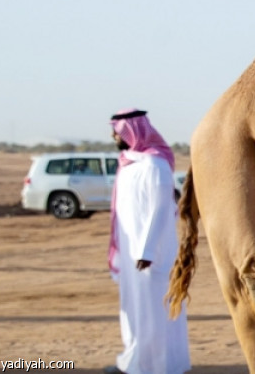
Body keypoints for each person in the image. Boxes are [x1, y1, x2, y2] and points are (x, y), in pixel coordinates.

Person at [106, 109, 190, 374]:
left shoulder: (155, 165)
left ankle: (160, 367)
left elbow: (160, 209)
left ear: (132, 131)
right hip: (133, 253)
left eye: (117, 131)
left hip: (152, 254)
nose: (113, 137)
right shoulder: (129, 164)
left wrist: (147, 250)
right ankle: (135, 362)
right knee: (133, 308)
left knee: (155, 312)